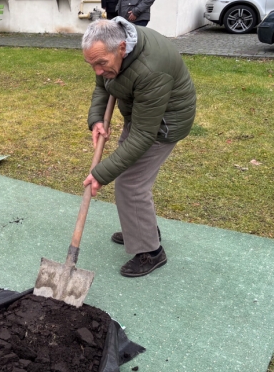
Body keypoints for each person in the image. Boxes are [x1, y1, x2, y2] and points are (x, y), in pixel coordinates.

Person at [82, 18, 196, 277]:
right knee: (128, 177)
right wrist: (97, 118)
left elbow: (144, 134)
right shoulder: (112, 51)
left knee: (131, 184)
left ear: (122, 48)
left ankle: (151, 252)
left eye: (102, 63)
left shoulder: (150, 69)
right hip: (142, 116)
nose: (97, 70)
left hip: (164, 124)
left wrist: (100, 174)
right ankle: (140, 229)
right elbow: (103, 85)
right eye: (92, 64)